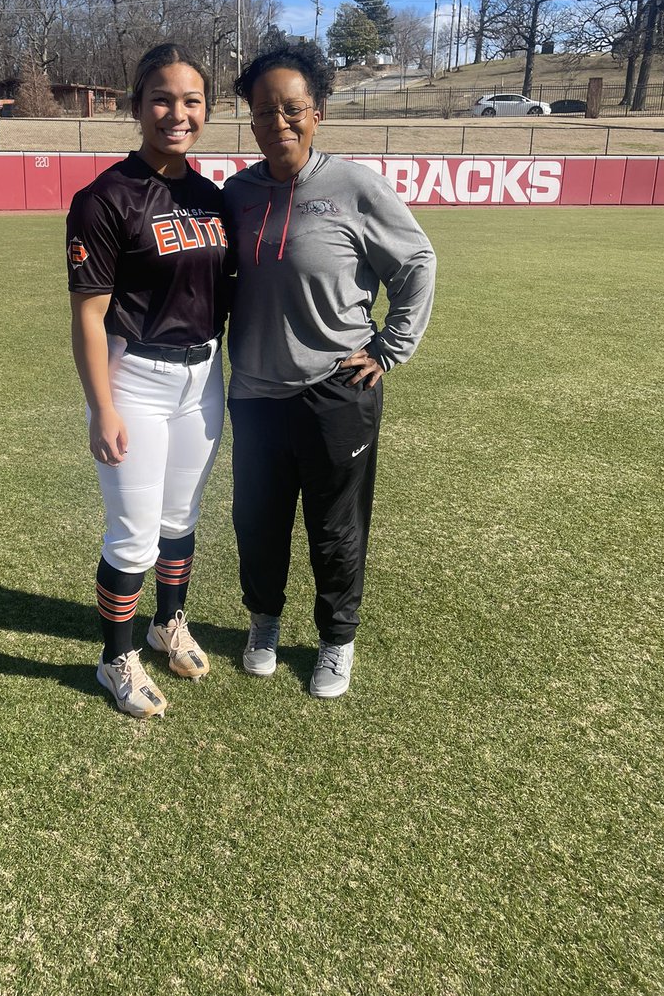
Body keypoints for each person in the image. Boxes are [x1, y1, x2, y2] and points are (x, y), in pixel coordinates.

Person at [224, 43, 436, 699]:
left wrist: (389, 349)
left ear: (317, 114)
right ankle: (263, 623)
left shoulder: (353, 187)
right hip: (256, 396)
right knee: (256, 522)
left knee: (335, 528)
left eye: (292, 109)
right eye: (264, 112)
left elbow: (417, 263)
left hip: (336, 392)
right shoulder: (236, 194)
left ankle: (336, 640)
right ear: (252, 121)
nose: (278, 123)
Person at [66, 43, 227, 719]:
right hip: (136, 378)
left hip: (203, 378)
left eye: (191, 101)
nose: (176, 113)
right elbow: (88, 313)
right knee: (133, 534)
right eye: (161, 98)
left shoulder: (212, 196)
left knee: (180, 519)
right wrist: (102, 406)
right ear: (137, 106)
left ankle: (169, 623)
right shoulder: (104, 197)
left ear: (207, 111)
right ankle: (116, 659)